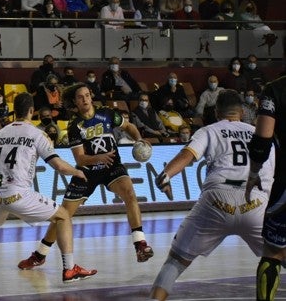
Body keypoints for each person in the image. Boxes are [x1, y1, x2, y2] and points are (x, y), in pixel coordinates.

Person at [0, 92, 96, 289]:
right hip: (18, 193)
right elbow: (59, 167)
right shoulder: (37, 134)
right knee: (63, 216)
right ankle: (69, 269)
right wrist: (78, 172)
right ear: (32, 111)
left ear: (15, 111)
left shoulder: (0, 133)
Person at [150, 89, 276, 300]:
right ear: (242, 113)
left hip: (217, 200)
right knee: (277, 255)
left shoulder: (210, 130)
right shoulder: (261, 134)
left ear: (217, 111)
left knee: (175, 262)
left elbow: (188, 155)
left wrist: (165, 175)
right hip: (255, 201)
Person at [16, 84, 154, 272]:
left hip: (112, 167)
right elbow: (79, 158)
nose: (85, 99)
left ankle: (140, 245)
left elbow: (129, 126)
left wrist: (138, 139)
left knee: (130, 194)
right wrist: (99, 157)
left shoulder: (107, 114)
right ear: (75, 101)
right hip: (86, 172)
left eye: (87, 95)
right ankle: (39, 255)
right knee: (63, 215)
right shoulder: (75, 126)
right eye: (80, 97)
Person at [245, 75, 286, 301]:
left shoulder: (275, 89)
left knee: (273, 251)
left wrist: (254, 172)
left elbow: (262, 138)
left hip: (285, 182)